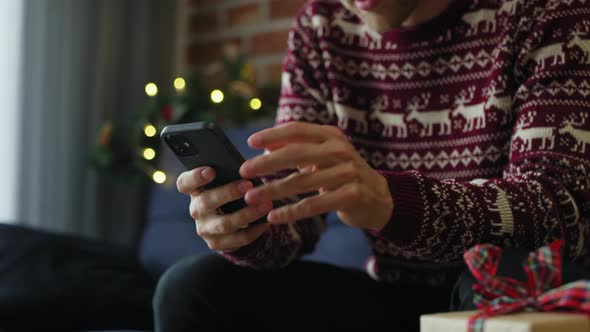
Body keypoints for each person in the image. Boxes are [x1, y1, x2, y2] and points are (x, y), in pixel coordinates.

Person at [154, 0, 590, 330]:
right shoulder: (323, 24)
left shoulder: (547, 11)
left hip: (522, 290)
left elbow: (557, 206)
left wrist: (390, 202)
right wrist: (245, 226)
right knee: (193, 287)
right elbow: (293, 223)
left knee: (491, 281)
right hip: (392, 294)